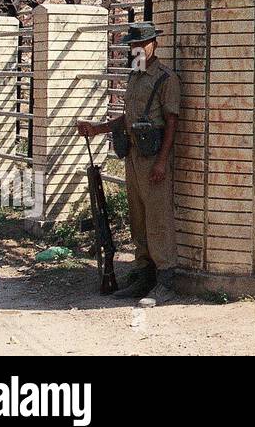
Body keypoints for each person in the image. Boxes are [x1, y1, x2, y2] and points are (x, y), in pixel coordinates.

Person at [78, 21, 181, 302]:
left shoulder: (165, 78)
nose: (136, 49)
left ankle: (166, 282)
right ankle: (142, 277)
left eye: (141, 44)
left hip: (154, 157)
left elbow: (171, 122)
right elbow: (131, 118)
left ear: (154, 45)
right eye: (132, 45)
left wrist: (162, 162)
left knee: (158, 219)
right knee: (138, 219)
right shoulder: (135, 77)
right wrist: (97, 128)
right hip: (134, 155)